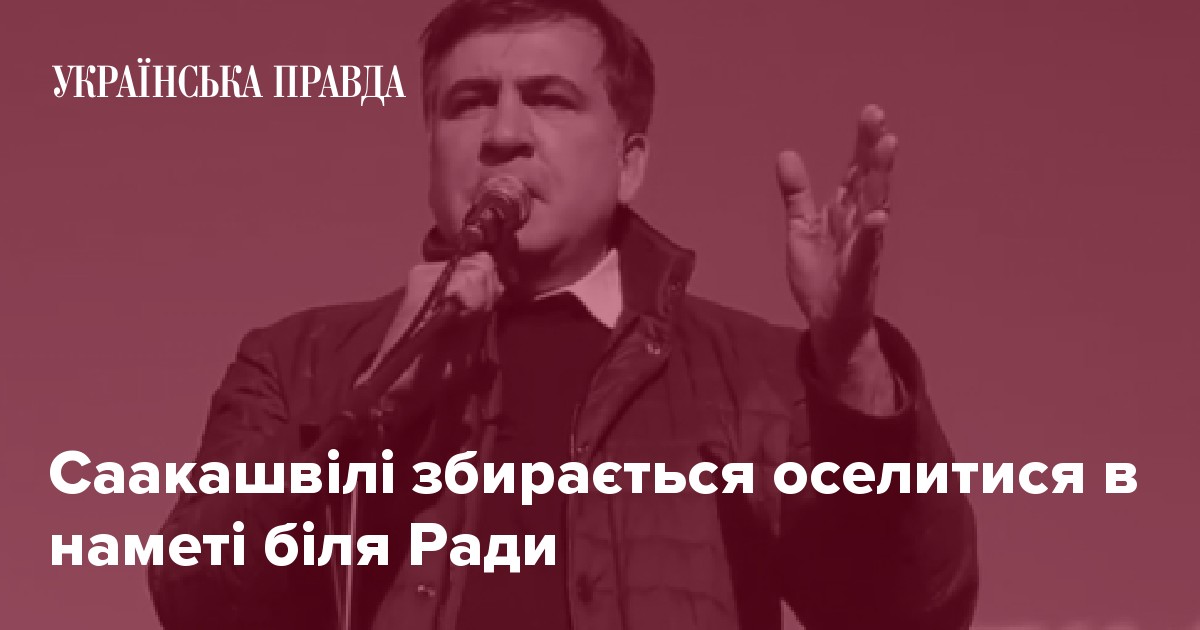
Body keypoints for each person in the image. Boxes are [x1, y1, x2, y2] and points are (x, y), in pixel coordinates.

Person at [148, 0, 979, 628]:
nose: (504, 134)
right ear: (429, 148)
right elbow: (198, 600)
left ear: (630, 163)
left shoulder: (757, 377)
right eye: (468, 102)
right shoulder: (299, 360)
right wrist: (377, 415)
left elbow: (911, 608)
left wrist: (852, 361)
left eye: (549, 99)